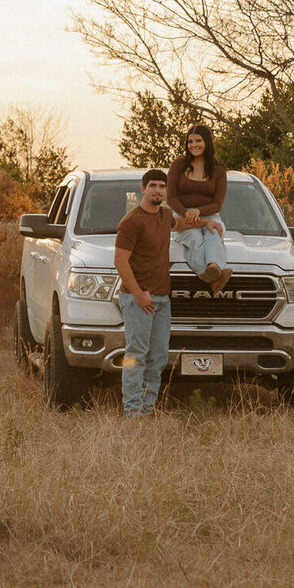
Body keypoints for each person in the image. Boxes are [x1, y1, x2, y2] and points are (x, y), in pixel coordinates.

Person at [114, 168, 177, 418]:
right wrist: (139, 294)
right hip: (137, 299)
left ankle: (147, 408)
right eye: (153, 186)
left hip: (162, 300)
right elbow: (120, 261)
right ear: (143, 189)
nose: (158, 190)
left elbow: (179, 224)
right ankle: (132, 411)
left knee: (159, 357)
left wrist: (206, 221)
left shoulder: (165, 215)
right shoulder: (131, 222)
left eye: (162, 186)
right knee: (134, 356)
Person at [166, 124, 233, 296]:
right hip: (182, 215)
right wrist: (186, 213)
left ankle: (212, 268)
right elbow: (171, 197)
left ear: (207, 142)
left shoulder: (218, 170)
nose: (194, 145)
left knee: (214, 233)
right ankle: (213, 273)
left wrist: (198, 210)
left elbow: (218, 203)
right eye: (190, 141)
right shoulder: (178, 165)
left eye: (198, 141)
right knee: (195, 239)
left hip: (211, 214)